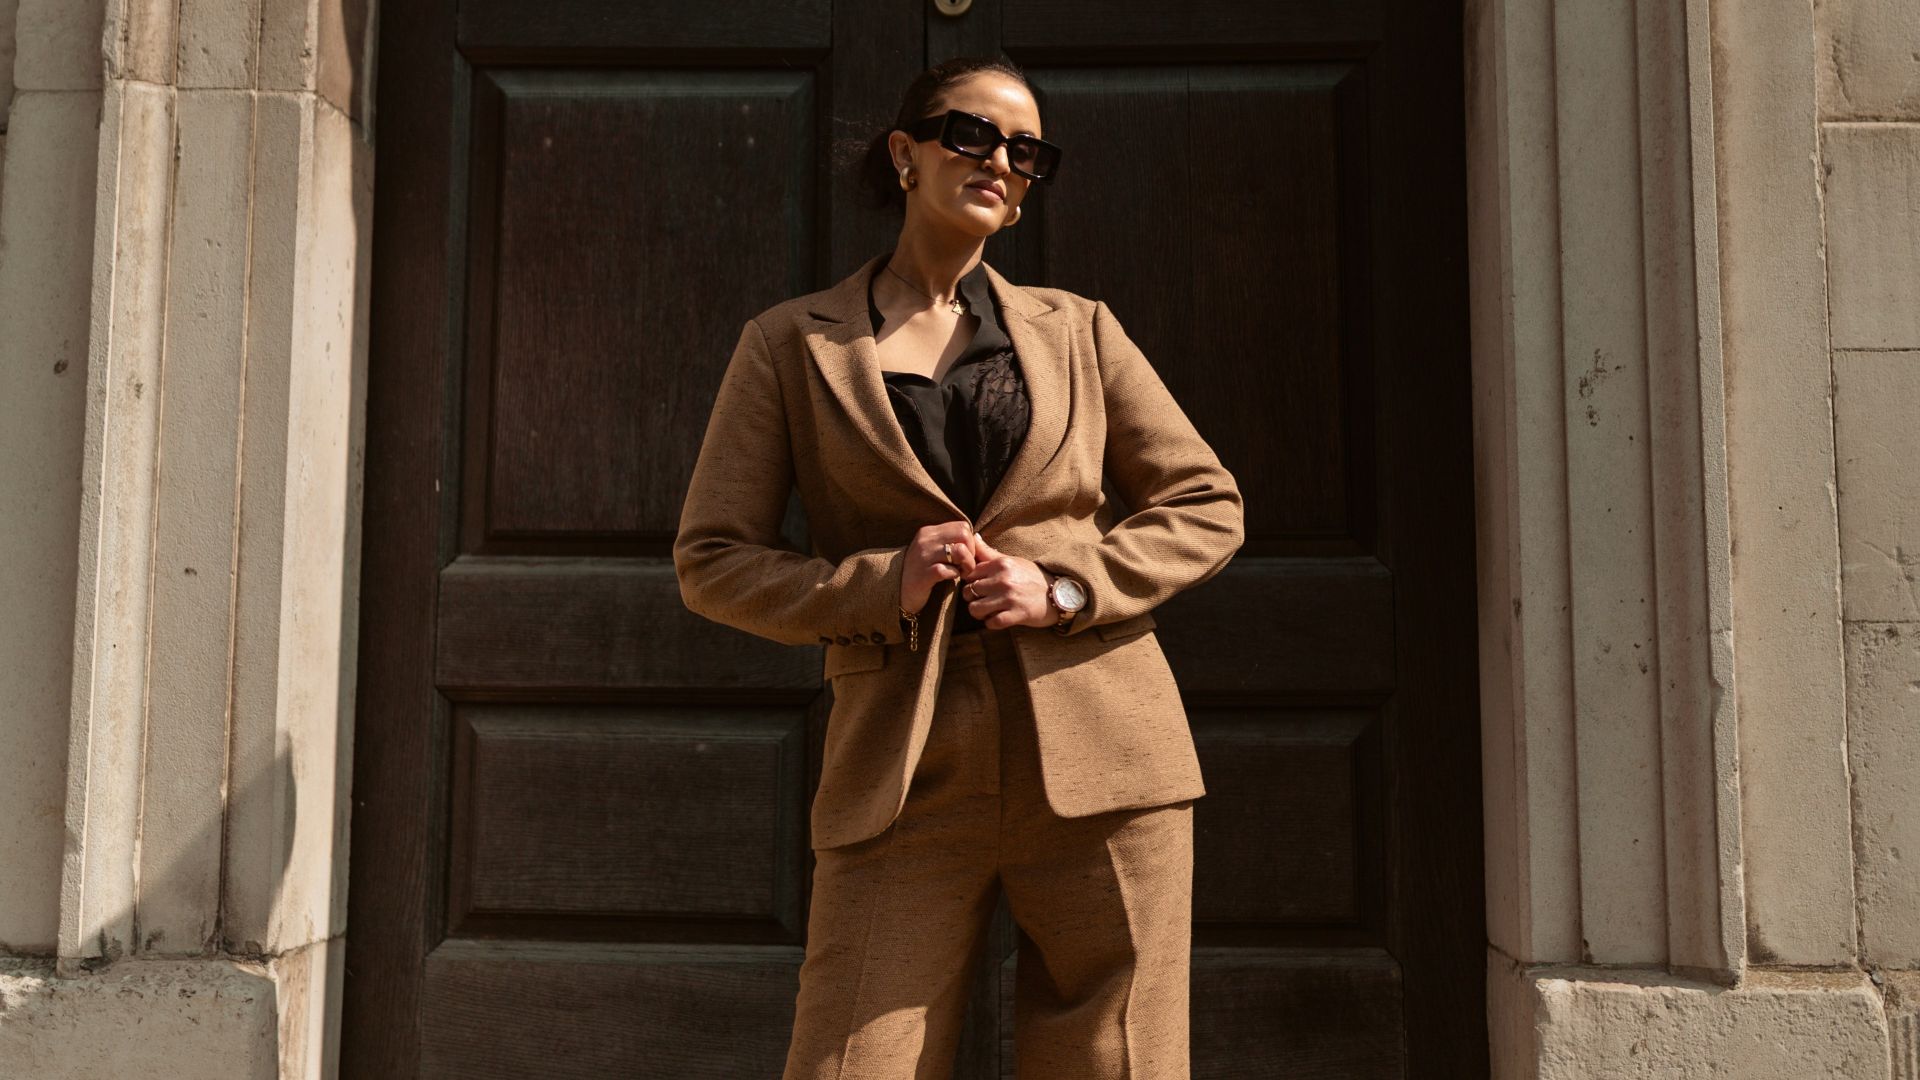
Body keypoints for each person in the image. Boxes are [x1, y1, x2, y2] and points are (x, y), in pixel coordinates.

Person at [672, 55, 1244, 1080]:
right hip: (903, 760)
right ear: (906, 153)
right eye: (971, 135)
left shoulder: (1081, 332)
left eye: (1027, 153)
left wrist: (1066, 586)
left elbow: (1206, 505)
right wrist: (876, 583)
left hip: (1103, 747)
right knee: (854, 1060)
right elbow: (713, 561)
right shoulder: (791, 347)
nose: (1000, 163)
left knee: (1117, 1063)